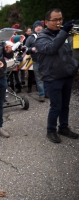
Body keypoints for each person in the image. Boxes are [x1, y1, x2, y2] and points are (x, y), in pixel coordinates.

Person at [35, 8, 79, 143]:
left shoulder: (63, 34)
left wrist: (73, 66)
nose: (58, 22)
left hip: (66, 75)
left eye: (60, 19)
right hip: (52, 77)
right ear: (46, 22)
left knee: (65, 104)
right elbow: (51, 48)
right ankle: (51, 130)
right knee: (56, 106)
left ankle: (63, 127)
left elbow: (69, 52)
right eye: (55, 20)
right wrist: (64, 31)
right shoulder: (41, 38)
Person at [25, 20, 46, 102]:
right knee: (39, 78)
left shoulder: (46, 35)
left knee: (48, 77)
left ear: (42, 27)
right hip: (36, 61)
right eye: (36, 26)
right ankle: (42, 95)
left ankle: (47, 92)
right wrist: (31, 49)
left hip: (46, 61)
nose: (38, 27)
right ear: (34, 28)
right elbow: (25, 49)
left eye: (40, 26)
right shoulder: (30, 38)